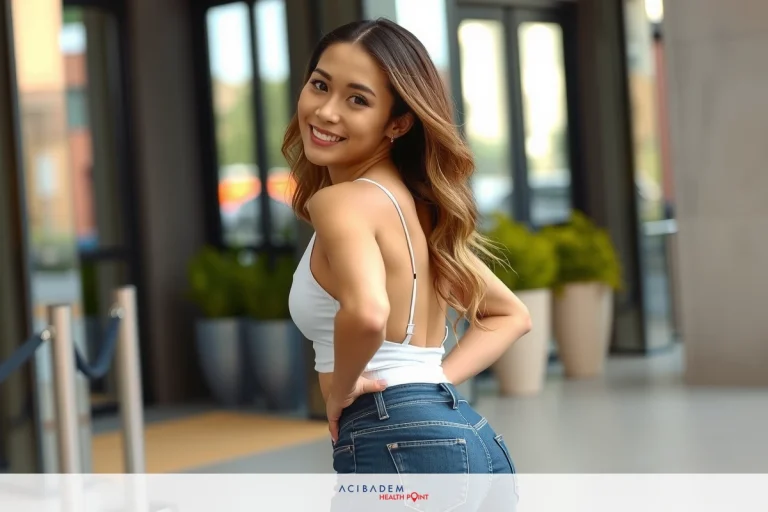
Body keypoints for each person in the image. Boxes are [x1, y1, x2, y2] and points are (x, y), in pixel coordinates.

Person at [285, 17, 530, 488]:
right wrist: (428, 387)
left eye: (357, 99)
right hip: (470, 438)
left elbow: (370, 313)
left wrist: (341, 393)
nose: (326, 111)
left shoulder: (340, 202)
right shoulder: (418, 215)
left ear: (397, 123)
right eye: (320, 85)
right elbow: (511, 315)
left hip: (395, 441)